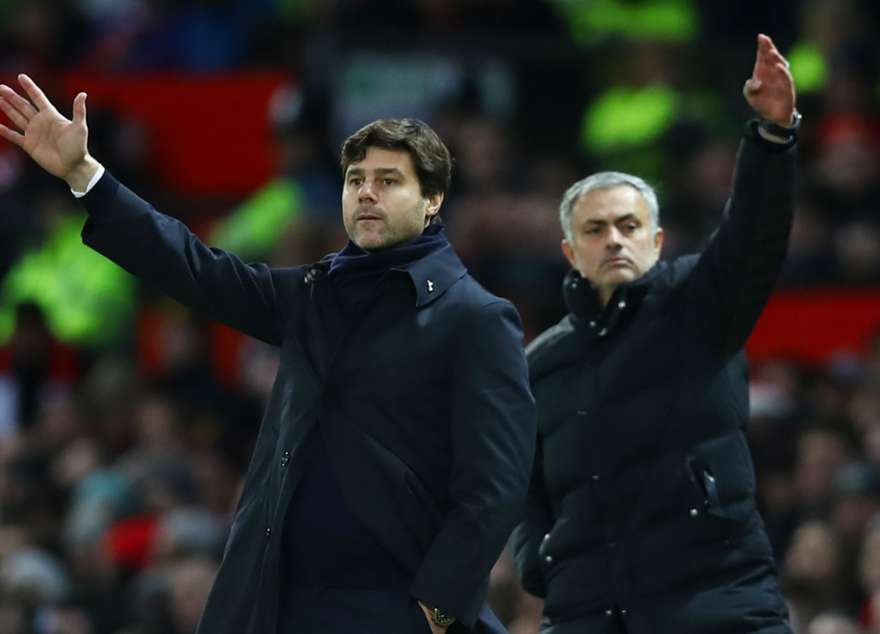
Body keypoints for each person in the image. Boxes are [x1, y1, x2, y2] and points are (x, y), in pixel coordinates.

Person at [0, 77, 536, 634]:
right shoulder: (314, 294)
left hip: (394, 609)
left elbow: (496, 483)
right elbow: (197, 270)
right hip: (280, 603)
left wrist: (438, 607)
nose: (366, 193)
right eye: (355, 180)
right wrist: (86, 176)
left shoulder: (477, 318)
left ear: (432, 199)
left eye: (388, 181)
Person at [511, 34, 799, 633]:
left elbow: (754, 236)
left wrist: (772, 138)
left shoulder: (699, 304)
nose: (613, 239)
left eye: (627, 225)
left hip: (715, 605)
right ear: (570, 251)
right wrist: (542, 563)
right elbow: (524, 493)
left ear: (657, 240)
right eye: (594, 230)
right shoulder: (540, 365)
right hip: (585, 614)